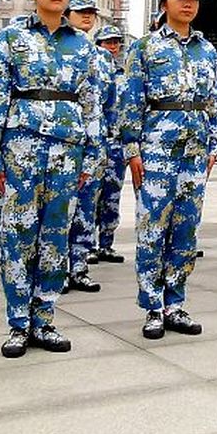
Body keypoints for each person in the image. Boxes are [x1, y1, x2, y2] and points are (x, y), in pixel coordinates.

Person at [0, 0, 102, 357]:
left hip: (68, 148)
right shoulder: (11, 38)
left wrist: (93, 155)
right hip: (20, 145)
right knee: (17, 235)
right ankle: (18, 322)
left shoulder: (83, 45)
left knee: (55, 235)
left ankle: (45, 317)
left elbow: (91, 104)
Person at [120, 0, 217, 339]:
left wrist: (214, 147)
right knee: (152, 228)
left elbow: (214, 103)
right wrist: (132, 149)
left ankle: (175, 302)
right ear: (164, 3)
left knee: (185, 229)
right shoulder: (145, 48)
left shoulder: (206, 50)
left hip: (195, 152)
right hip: (157, 149)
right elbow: (131, 101)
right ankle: (152, 307)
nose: (189, 3)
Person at [61, 0, 110, 293]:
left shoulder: (103, 56)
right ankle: (55, 269)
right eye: (81, 11)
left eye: (91, 11)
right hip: (63, 139)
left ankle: (78, 266)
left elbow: (110, 102)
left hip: (93, 141)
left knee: (86, 206)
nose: (87, 16)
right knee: (59, 208)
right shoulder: (60, 49)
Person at [90, 24, 130, 264]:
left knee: (112, 195)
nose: (113, 46)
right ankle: (89, 245)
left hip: (117, 144)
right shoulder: (95, 71)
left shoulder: (124, 73)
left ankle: (106, 243)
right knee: (91, 196)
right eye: (108, 42)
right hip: (98, 141)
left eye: (116, 42)